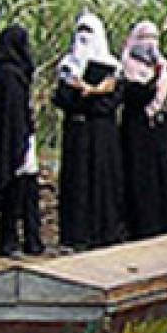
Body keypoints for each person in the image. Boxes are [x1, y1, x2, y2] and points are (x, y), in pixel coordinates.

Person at [53, 13, 124, 249]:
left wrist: (91, 93)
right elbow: (62, 99)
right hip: (77, 133)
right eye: (80, 32)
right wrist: (83, 93)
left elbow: (111, 103)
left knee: (103, 180)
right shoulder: (67, 68)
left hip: (102, 133)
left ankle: (104, 231)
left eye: (89, 32)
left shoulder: (112, 68)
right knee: (77, 181)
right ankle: (76, 234)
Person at [117, 21, 167, 240]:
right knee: (140, 176)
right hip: (137, 129)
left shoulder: (163, 68)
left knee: (163, 175)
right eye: (144, 38)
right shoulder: (126, 67)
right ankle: (142, 224)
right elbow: (134, 96)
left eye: (153, 38)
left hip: (160, 129)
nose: (149, 44)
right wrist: (153, 79)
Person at [0, 25, 42, 256]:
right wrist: (19, 140)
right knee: (14, 189)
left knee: (28, 188)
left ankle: (31, 239)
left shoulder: (13, 72)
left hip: (19, 135)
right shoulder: (8, 75)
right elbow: (11, 113)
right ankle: (10, 241)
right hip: (14, 138)